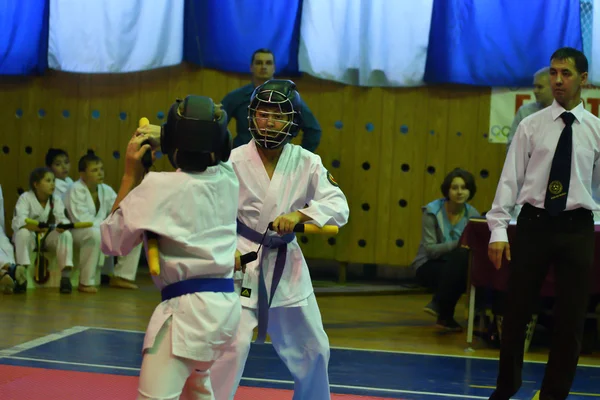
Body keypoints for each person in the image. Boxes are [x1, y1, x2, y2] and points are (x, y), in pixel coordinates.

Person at [209, 79, 350, 400]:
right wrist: (222, 247)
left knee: (314, 348)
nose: (269, 121)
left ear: (292, 121)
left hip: (287, 265)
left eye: (278, 115)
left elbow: (339, 207)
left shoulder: (306, 161)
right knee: (232, 345)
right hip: (240, 259)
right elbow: (213, 210)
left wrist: (301, 215)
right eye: (262, 113)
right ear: (251, 117)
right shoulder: (232, 160)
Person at [101, 95, 241, 400]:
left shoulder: (157, 187)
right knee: (197, 387)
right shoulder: (229, 178)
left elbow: (111, 241)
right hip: (224, 311)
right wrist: (166, 137)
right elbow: (205, 149)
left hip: (186, 315)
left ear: (173, 145)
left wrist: (130, 173)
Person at [486, 47, 600, 400]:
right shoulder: (530, 126)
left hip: (578, 227)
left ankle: (554, 394)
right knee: (516, 312)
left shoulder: (596, 130)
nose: (558, 80)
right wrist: (498, 229)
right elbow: (510, 180)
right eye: (553, 73)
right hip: (534, 223)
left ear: (583, 79)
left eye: (565, 74)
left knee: (571, 319)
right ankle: (506, 388)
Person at [411, 168, 479, 331]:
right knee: (459, 270)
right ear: (447, 190)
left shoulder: (473, 215)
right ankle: (444, 313)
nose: (459, 192)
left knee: (463, 264)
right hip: (428, 265)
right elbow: (431, 250)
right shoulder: (431, 212)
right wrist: (459, 242)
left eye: (464, 187)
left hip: (454, 266)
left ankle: (439, 306)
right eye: (455, 188)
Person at [65, 153, 142, 292]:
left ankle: (122, 276)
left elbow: (118, 210)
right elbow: (81, 219)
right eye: (94, 170)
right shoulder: (75, 189)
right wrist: (107, 228)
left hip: (101, 229)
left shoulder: (105, 190)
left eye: (101, 169)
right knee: (94, 234)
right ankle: (85, 282)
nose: (100, 173)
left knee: (135, 231)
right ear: (82, 174)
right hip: (78, 232)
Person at [221, 48, 322, 152]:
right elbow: (218, 123)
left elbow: (313, 130)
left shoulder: (288, 97)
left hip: (278, 157)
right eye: (259, 63)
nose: (264, 67)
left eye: (268, 63)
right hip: (243, 158)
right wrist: (226, 153)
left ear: (274, 68)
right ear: (251, 67)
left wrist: (299, 159)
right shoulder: (237, 96)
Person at [10, 167, 75, 293]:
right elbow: (19, 221)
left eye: (53, 181)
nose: (52, 184)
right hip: (31, 237)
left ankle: (65, 278)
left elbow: (62, 218)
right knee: (22, 233)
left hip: (48, 237)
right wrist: (34, 226)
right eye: (48, 181)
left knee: (66, 235)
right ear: (36, 184)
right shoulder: (25, 198)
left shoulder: (55, 200)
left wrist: (63, 225)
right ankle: (21, 277)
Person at [506, 67, 554, 152]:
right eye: (534, 86)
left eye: (540, 87)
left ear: (554, 88)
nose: (535, 91)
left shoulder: (566, 113)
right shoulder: (525, 112)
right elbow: (512, 146)